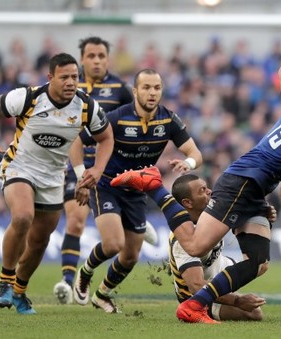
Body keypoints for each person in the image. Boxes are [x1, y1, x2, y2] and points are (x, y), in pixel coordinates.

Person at [113, 20, 281, 324]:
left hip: (253, 188)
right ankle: (155, 186)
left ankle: (194, 306)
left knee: (258, 262)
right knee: (195, 245)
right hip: (243, 182)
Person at [71, 69, 203, 313]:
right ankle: (85, 273)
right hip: (107, 185)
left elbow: (196, 153)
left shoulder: (168, 120)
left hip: (136, 190)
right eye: (146, 87)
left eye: (156, 88)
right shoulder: (116, 118)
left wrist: (189, 163)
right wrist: (81, 176)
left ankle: (102, 295)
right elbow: (78, 141)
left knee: (131, 256)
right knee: (113, 244)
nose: (152, 93)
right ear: (135, 91)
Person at [0, 52, 113, 314]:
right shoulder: (27, 97)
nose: (72, 82)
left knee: (40, 241)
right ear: (50, 78)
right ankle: (4, 281)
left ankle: (19, 292)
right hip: (19, 167)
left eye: (75, 77)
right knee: (24, 216)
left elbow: (106, 138)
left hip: (53, 177)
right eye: (65, 77)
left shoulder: (87, 107)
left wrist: (97, 169)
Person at [53, 36, 145, 305]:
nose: (96, 61)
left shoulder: (121, 89)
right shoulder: (68, 84)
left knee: (122, 242)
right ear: (81, 59)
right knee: (75, 221)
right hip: (73, 164)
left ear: (108, 59)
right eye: (91, 56)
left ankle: (134, 223)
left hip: (109, 169)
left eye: (101, 56)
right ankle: (68, 282)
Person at [114, 171, 267, 321]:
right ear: (188, 202)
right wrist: (237, 301)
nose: (210, 192)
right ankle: (193, 309)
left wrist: (264, 212)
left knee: (259, 264)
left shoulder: (213, 218)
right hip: (197, 295)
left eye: (207, 187)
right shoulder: (183, 241)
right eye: (202, 191)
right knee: (254, 313)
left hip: (217, 267)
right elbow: (196, 286)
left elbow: (241, 217)